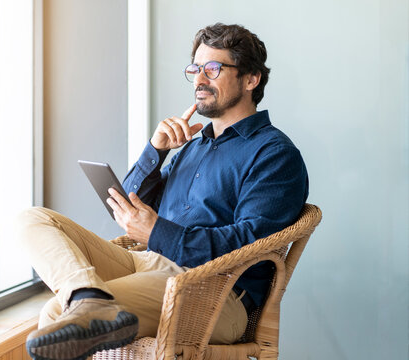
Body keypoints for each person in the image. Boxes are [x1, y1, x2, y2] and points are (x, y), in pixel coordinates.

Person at [17, 23, 308, 360]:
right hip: (146, 264)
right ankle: (87, 297)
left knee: (57, 315)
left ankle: (87, 305)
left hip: (213, 291)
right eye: (195, 69)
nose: (200, 79)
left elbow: (251, 243)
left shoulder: (274, 154)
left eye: (213, 69)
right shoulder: (191, 147)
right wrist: (156, 152)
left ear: (250, 79)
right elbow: (123, 208)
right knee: (32, 219)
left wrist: (158, 232)